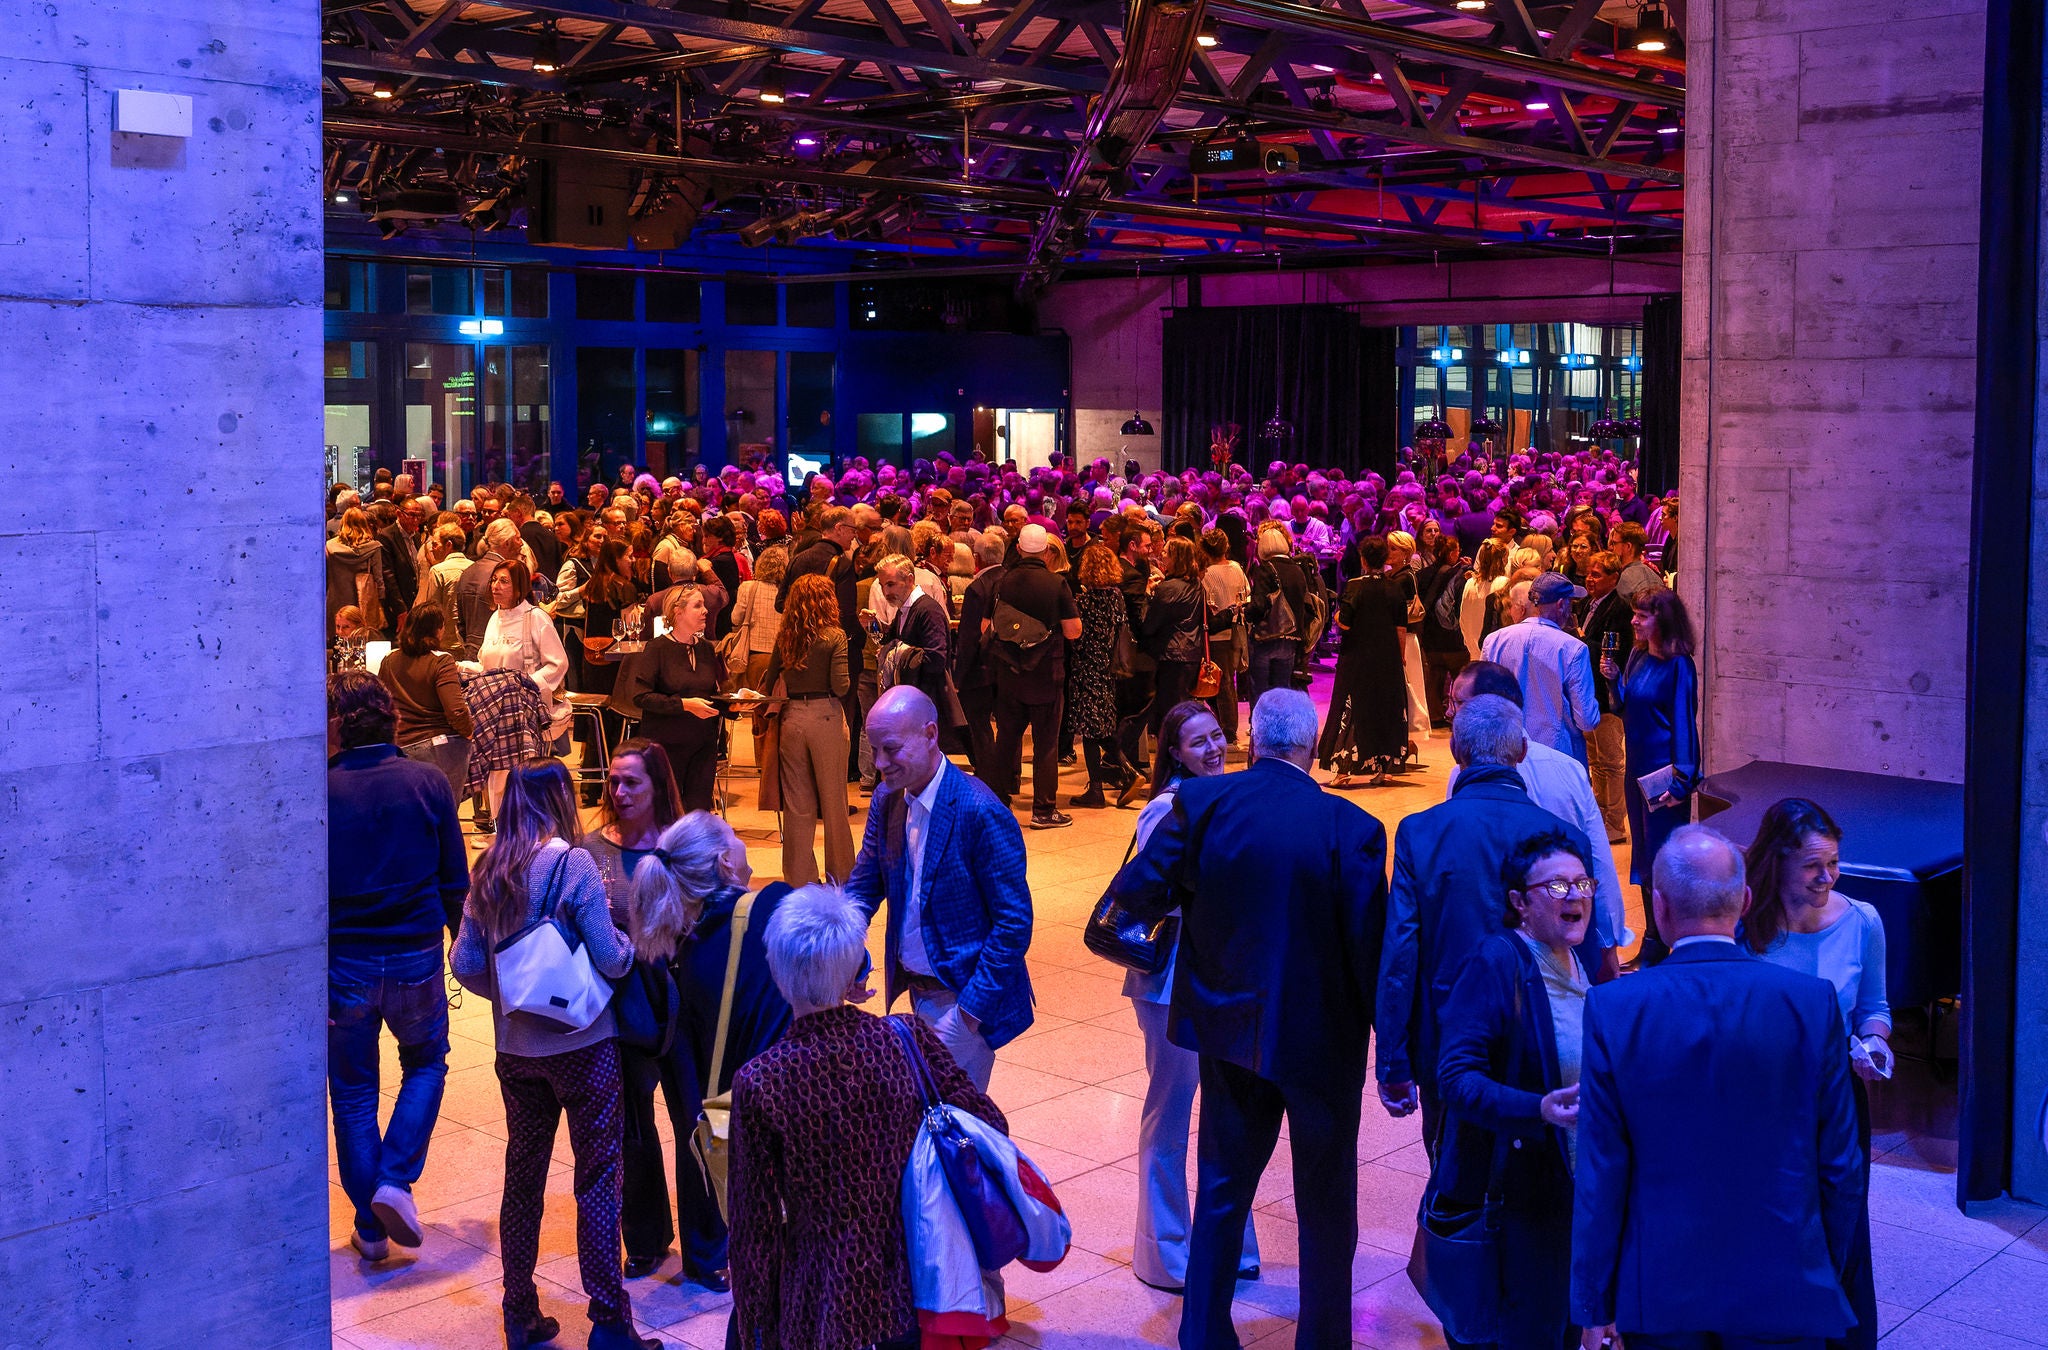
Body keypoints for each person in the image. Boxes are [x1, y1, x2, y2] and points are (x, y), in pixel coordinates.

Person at [1099, 688, 1387, 1350]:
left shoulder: (1201, 804)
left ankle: (1203, 1333)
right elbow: (1370, 951)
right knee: (1325, 1205)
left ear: (1253, 740)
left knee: (1222, 1190)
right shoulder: (1352, 827)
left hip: (1227, 1033)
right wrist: (1396, 1053)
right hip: (1321, 1045)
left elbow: (1136, 895)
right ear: (1310, 744)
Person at [1571, 826, 1865, 1350]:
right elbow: (1840, 1166)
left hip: (1659, 1286)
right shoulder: (1811, 1002)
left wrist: (1595, 1302)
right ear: (1745, 901)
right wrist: (1823, 1268)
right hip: (1785, 1278)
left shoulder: (1615, 1008)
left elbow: (1602, 1171)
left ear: (1659, 907)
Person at [728, 885, 1006, 1350]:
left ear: (777, 970)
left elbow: (753, 1227)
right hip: (913, 1285)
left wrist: (755, 1326)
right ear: (854, 969)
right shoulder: (905, 1038)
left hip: (816, 1299)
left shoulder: (761, 1081)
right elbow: (990, 1124)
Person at [448, 760, 651, 1350]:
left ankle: (519, 1313)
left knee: (523, 1177)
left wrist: (514, 995)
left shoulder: (489, 868)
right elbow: (611, 959)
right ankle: (609, 1322)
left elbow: (464, 963)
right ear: (560, 799)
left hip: (516, 1052)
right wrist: (625, 944)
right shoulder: (572, 864)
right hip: (583, 1046)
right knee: (598, 1177)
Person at [1376, 695, 1597, 1150]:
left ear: (1455, 749)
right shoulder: (1566, 838)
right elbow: (1583, 954)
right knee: (1545, 1166)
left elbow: (1401, 952)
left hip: (1448, 1036)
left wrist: (1394, 1059)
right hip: (1546, 1035)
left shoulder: (1421, 832)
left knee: (1453, 1169)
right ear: (1521, 751)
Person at [1115, 701, 1264, 1294]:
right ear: (1173, 752)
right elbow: (1156, 894)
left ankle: (1231, 1245)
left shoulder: (1230, 797)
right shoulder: (1163, 810)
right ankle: (1164, 1252)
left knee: (1230, 1114)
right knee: (1172, 1111)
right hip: (1170, 980)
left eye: (1217, 735)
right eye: (1197, 741)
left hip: (1220, 975)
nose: (1212, 748)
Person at [1431, 829, 1596, 1350]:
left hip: (1571, 1191)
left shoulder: (1577, 959)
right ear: (1520, 902)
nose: (1575, 896)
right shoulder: (1497, 962)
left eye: (1582, 883)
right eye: (1558, 886)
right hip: (1519, 1203)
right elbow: (1456, 1077)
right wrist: (1538, 1108)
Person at [325, 672, 467, 1263]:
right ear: (392, 719)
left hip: (344, 962)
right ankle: (394, 1180)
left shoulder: (319, 789)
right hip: (415, 954)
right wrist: (463, 945)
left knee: (354, 1091)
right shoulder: (428, 782)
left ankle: (371, 1227)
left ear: (337, 724)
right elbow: (455, 878)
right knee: (426, 1063)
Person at [1741, 799, 1892, 1350]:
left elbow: (1874, 1007)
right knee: (1772, 1224)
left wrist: (1875, 1043)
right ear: (1777, 862)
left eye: (1832, 863)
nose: (1827, 877)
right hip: (1763, 1101)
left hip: (1837, 1099)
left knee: (1841, 1225)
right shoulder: (1743, 926)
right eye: (1812, 866)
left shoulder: (1863, 920)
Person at [624, 810, 794, 1292]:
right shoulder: (771, 907)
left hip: (694, 1082)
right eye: (734, 837)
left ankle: (705, 1256)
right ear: (725, 862)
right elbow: (841, 951)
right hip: (766, 1088)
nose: (742, 844)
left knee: (697, 1141)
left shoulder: (666, 934)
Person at [844, 685, 1033, 1091]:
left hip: (962, 997)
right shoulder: (888, 799)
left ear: (930, 734)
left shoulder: (980, 810)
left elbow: (1014, 924)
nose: (879, 763)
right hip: (918, 993)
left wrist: (969, 1015)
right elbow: (863, 886)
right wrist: (845, 953)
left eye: (891, 749)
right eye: (874, 750)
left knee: (953, 1122)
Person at [579, 739, 687, 1279]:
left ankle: (708, 1245)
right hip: (619, 1006)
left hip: (683, 1001)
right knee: (633, 1127)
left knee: (694, 1118)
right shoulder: (590, 850)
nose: (619, 792)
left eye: (632, 782)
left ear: (657, 785)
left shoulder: (682, 846)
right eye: (614, 781)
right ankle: (645, 1239)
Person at [1445, 662, 1627, 980]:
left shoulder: (1460, 779)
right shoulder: (1568, 770)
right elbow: (1598, 862)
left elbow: (1597, 863)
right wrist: (1608, 943)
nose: (1448, 712)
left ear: (1491, 707)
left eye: (1458, 703)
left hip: (1496, 957)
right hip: (1559, 950)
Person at [1607, 586, 1701, 965]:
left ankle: (1665, 943)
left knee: (1664, 862)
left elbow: (1685, 725)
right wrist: (1614, 681)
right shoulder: (1637, 655)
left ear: (1662, 620)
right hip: (1637, 773)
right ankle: (1654, 941)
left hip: (1663, 780)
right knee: (1644, 859)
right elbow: (1626, 709)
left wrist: (1683, 781)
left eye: (1641, 616)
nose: (1633, 621)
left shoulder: (1679, 665)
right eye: (1634, 613)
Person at [987, 523, 1083, 828]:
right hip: (1045, 673)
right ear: (1045, 551)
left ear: (1018, 549)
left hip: (1009, 672)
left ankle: (997, 802)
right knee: (1046, 744)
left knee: (1006, 739)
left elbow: (987, 627)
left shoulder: (1002, 581)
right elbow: (1073, 630)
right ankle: (1043, 810)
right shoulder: (1056, 584)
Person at [761, 574, 855, 885]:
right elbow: (841, 686)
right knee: (834, 803)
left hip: (792, 718)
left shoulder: (786, 636)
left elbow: (770, 679)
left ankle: (799, 879)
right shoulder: (835, 637)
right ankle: (841, 876)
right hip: (825, 715)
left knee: (797, 804)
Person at [1318, 534, 1413, 787]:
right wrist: (1400, 657)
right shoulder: (1395, 587)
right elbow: (1400, 628)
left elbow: (1345, 623)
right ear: (1385, 558)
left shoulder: (1355, 586)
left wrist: (1336, 616)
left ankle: (1343, 770)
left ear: (1363, 559)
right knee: (1385, 708)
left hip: (1357, 657)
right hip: (1388, 657)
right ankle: (1384, 768)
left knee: (1352, 709)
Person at [1119, 535, 1206, 803]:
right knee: (1179, 717)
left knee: (1169, 723)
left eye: (1167, 551)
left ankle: (1168, 780)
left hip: (1169, 657)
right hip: (1191, 655)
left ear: (1176, 557)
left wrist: (1147, 596)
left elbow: (1149, 626)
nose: (1162, 554)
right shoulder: (1197, 585)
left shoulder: (1168, 588)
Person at [1481, 571, 1601, 764]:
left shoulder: (1494, 641)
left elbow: (1483, 700)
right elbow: (1586, 719)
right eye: (1571, 603)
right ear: (1561, 604)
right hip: (1556, 757)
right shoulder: (1573, 648)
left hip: (1505, 752)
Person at [633, 584, 725, 812]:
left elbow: (713, 695)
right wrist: (683, 705)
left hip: (703, 745)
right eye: (698, 605)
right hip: (666, 745)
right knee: (667, 813)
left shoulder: (706, 649)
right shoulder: (657, 648)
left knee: (697, 813)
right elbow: (641, 696)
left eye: (704, 605)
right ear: (678, 611)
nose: (705, 610)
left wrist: (735, 705)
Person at [376, 604, 474, 799]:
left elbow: (380, 703)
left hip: (399, 749)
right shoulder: (442, 661)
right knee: (443, 811)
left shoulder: (389, 660)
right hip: (438, 749)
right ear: (437, 630)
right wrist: (469, 733)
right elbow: (456, 711)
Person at [1066, 540, 1134, 809]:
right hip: (1108, 668)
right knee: (1102, 726)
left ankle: (1097, 789)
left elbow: (1077, 638)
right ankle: (1126, 771)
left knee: (1089, 732)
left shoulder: (1084, 602)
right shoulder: (1117, 597)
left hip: (1087, 669)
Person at [1578, 551, 1633, 846]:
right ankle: (1600, 815)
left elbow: (1616, 652)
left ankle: (1615, 823)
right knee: (1595, 761)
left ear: (1614, 578)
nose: (1590, 579)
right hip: (1589, 694)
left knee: (1611, 762)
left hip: (1607, 696)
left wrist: (1579, 640)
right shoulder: (1588, 603)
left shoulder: (1619, 608)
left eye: (1596, 575)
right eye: (1589, 573)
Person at [1243, 523, 1312, 709]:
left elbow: (1259, 605)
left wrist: (1245, 611)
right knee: (1282, 689)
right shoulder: (1297, 569)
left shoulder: (1265, 569)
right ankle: (1280, 722)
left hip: (1266, 637)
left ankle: (1260, 723)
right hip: (1291, 638)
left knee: (1260, 690)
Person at [1197, 528, 1249, 746]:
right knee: (1228, 680)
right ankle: (1226, 726)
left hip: (1216, 633)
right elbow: (1246, 595)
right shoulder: (1237, 568)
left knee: (1221, 682)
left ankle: (1228, 730)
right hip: (1237, 630)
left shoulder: (1207, 574)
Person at [327, 506, 386, 640]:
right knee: (362, 638)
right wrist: (381, 600)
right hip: (364, 600)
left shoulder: (329, 547)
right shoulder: (373, 547)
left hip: (336, 599)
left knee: (339, 636)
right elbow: (379, 578)